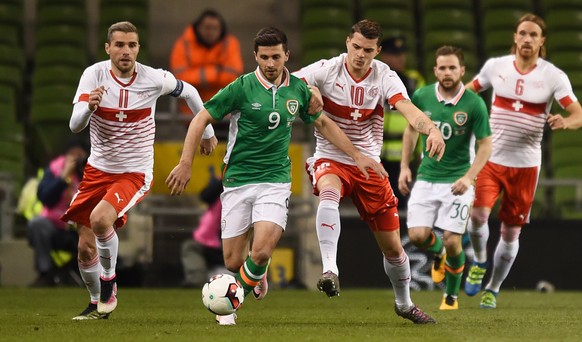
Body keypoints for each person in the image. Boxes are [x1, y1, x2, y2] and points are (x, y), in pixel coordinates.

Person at [165, 26, 385, 326]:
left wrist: (357, 155)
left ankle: (230, 302)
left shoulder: (297, 89)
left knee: (262, 248)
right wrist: (186, 162)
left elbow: (323, 123)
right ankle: (258, 272)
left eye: (276, 57)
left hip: (276, 180)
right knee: (232, 260)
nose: (270, 64)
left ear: (287, 56)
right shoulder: (241, 87)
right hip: (238, 180)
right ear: (255, 56)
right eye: (264, 57)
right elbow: (202, 116)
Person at [61, 21, 217, 320]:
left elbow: (191, 92)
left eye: (132, 45)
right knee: (83, 247)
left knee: (100, 219)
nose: (126, 51)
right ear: (108, 48)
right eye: (119, 45)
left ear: (138, 48)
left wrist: (208, 133)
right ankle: (97, 305)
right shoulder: (92, 75)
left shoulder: (153, 78)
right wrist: (89, 108)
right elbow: (74, 124)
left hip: (135, 171)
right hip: (97, 170)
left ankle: (109, 284)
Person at [293, 20, 445, 324]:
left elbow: (408, 109)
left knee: (393, 248)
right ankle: (330, 269)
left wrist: (432, 130)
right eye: (356, 47)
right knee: (328, 191)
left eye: (368, 50)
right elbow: (287, 83)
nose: (360, 55)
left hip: (369, 164)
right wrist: (307, 89)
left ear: (377, 51)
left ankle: (404, 303)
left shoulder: (385, 77)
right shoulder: (326, 69)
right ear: (348, 42)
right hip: (331, 157)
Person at [464, 13, 582, 309]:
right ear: (515, 38)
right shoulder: (495, 67)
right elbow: (468, 93)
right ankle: (479, 260)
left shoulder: (553, 76)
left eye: (534, 35)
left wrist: (565, 122)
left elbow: (578, 114)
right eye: (523, 33)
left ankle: (493, 287)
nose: (527, 39)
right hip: (491, 158)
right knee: (477, 216)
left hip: (526, 165)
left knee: (510, 231)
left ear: (542, 41)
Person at [398, 45, 492, 310]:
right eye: (442, 67)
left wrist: (470, 177)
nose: (447, 72)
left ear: (462, 70)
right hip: (426, 178)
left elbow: (486, 145)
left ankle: (450, 297)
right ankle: (437, 253)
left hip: (458, 181)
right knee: (417, 236)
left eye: (453, 67)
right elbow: (411, 131)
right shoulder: (422, 95)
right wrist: (405, 166)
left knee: (453, 240)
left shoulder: (474, 104)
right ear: (435, 70)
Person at [27, 137, 90, 287]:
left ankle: (95, 278)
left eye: (79, 156)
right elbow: (44, 197)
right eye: (72, 156)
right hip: (57, 227)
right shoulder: (55, 169)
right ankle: (45, 273)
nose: (76, 160)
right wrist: (63, 178)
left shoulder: (92, 173)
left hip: (82, 228)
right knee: (37, 224)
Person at [379, 36, 426, 209]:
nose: (400, 58)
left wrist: (420, 152)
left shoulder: (414, 80)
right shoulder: (375, 78)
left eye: (401, 54)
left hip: (405, 156)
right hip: (377, 156)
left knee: (402, 203)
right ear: (384, 56)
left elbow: (421, 115)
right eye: (394, 54)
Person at [170, 9, 243, 109]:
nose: (211, 32)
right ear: (198, 27)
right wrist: (216, 72)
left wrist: (197, 77)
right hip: (191, 112)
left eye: (215, 28)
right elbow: (178, 78)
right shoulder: (183, 44)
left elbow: (233, 76)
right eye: (207, 27)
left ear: (222, 29)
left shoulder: (230, 43)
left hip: (223, 111)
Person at [180, 166, 228, 288]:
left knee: (191, 247)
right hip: (209, 242)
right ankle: (197, 279)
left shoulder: (240, 188)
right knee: (191, 247)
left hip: (225, 243)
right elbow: (205, 196)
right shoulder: (221, 183)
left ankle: (198, 279)